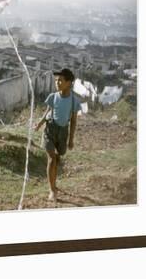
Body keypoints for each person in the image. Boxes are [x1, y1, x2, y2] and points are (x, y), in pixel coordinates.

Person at [34, 68, 82, 202]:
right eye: (56, 81)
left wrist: (71, 139)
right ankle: (52, 190)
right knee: (51, 159)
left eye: (60, 80)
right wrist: (39, 123)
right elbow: (48, 112)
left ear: (69, 83)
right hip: (50, 129)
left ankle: (54, 181)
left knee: (57, 158)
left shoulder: (74, 101)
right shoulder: (53, 96)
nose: (57, 83)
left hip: (63, 132)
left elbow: (73, 121)